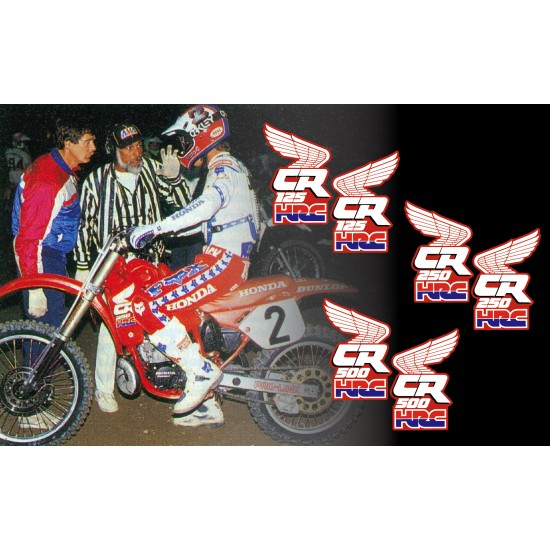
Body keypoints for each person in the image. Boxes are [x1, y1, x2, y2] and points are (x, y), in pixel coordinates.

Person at [128, 104, 260, 428]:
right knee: (188, 321)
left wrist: (157, 228)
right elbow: (202, 223)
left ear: (203, 135)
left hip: (222, 262)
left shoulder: (224, 168)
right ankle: (207, 404)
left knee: (146, 302)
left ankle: (200, 373)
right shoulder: (232, 168)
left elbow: (206, 205)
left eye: (185, 140)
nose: (183, 148)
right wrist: (158, 231)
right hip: (224, 259)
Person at [74, 122, 194, 414]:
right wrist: (82, 266)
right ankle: (104, 389)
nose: (136, 152)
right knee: (111, 325)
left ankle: (170, 378)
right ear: (114, 151)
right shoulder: (96, 180)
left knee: (161, 321)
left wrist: (175, 179)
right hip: (112, 266)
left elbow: (184, 207)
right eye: (128, 148)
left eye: (138, 145)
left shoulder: (152, 169)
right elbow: (84, 226)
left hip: (151, 262)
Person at [12, 117, 97, 328]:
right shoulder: (48, 180)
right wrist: (34, 287)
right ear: (68, 143)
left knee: (50, 331)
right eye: (87, 142)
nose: (93, 147)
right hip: (42, 258)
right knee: (45, 333)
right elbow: (28, 239)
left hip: (51, 255)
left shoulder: (60, 168)